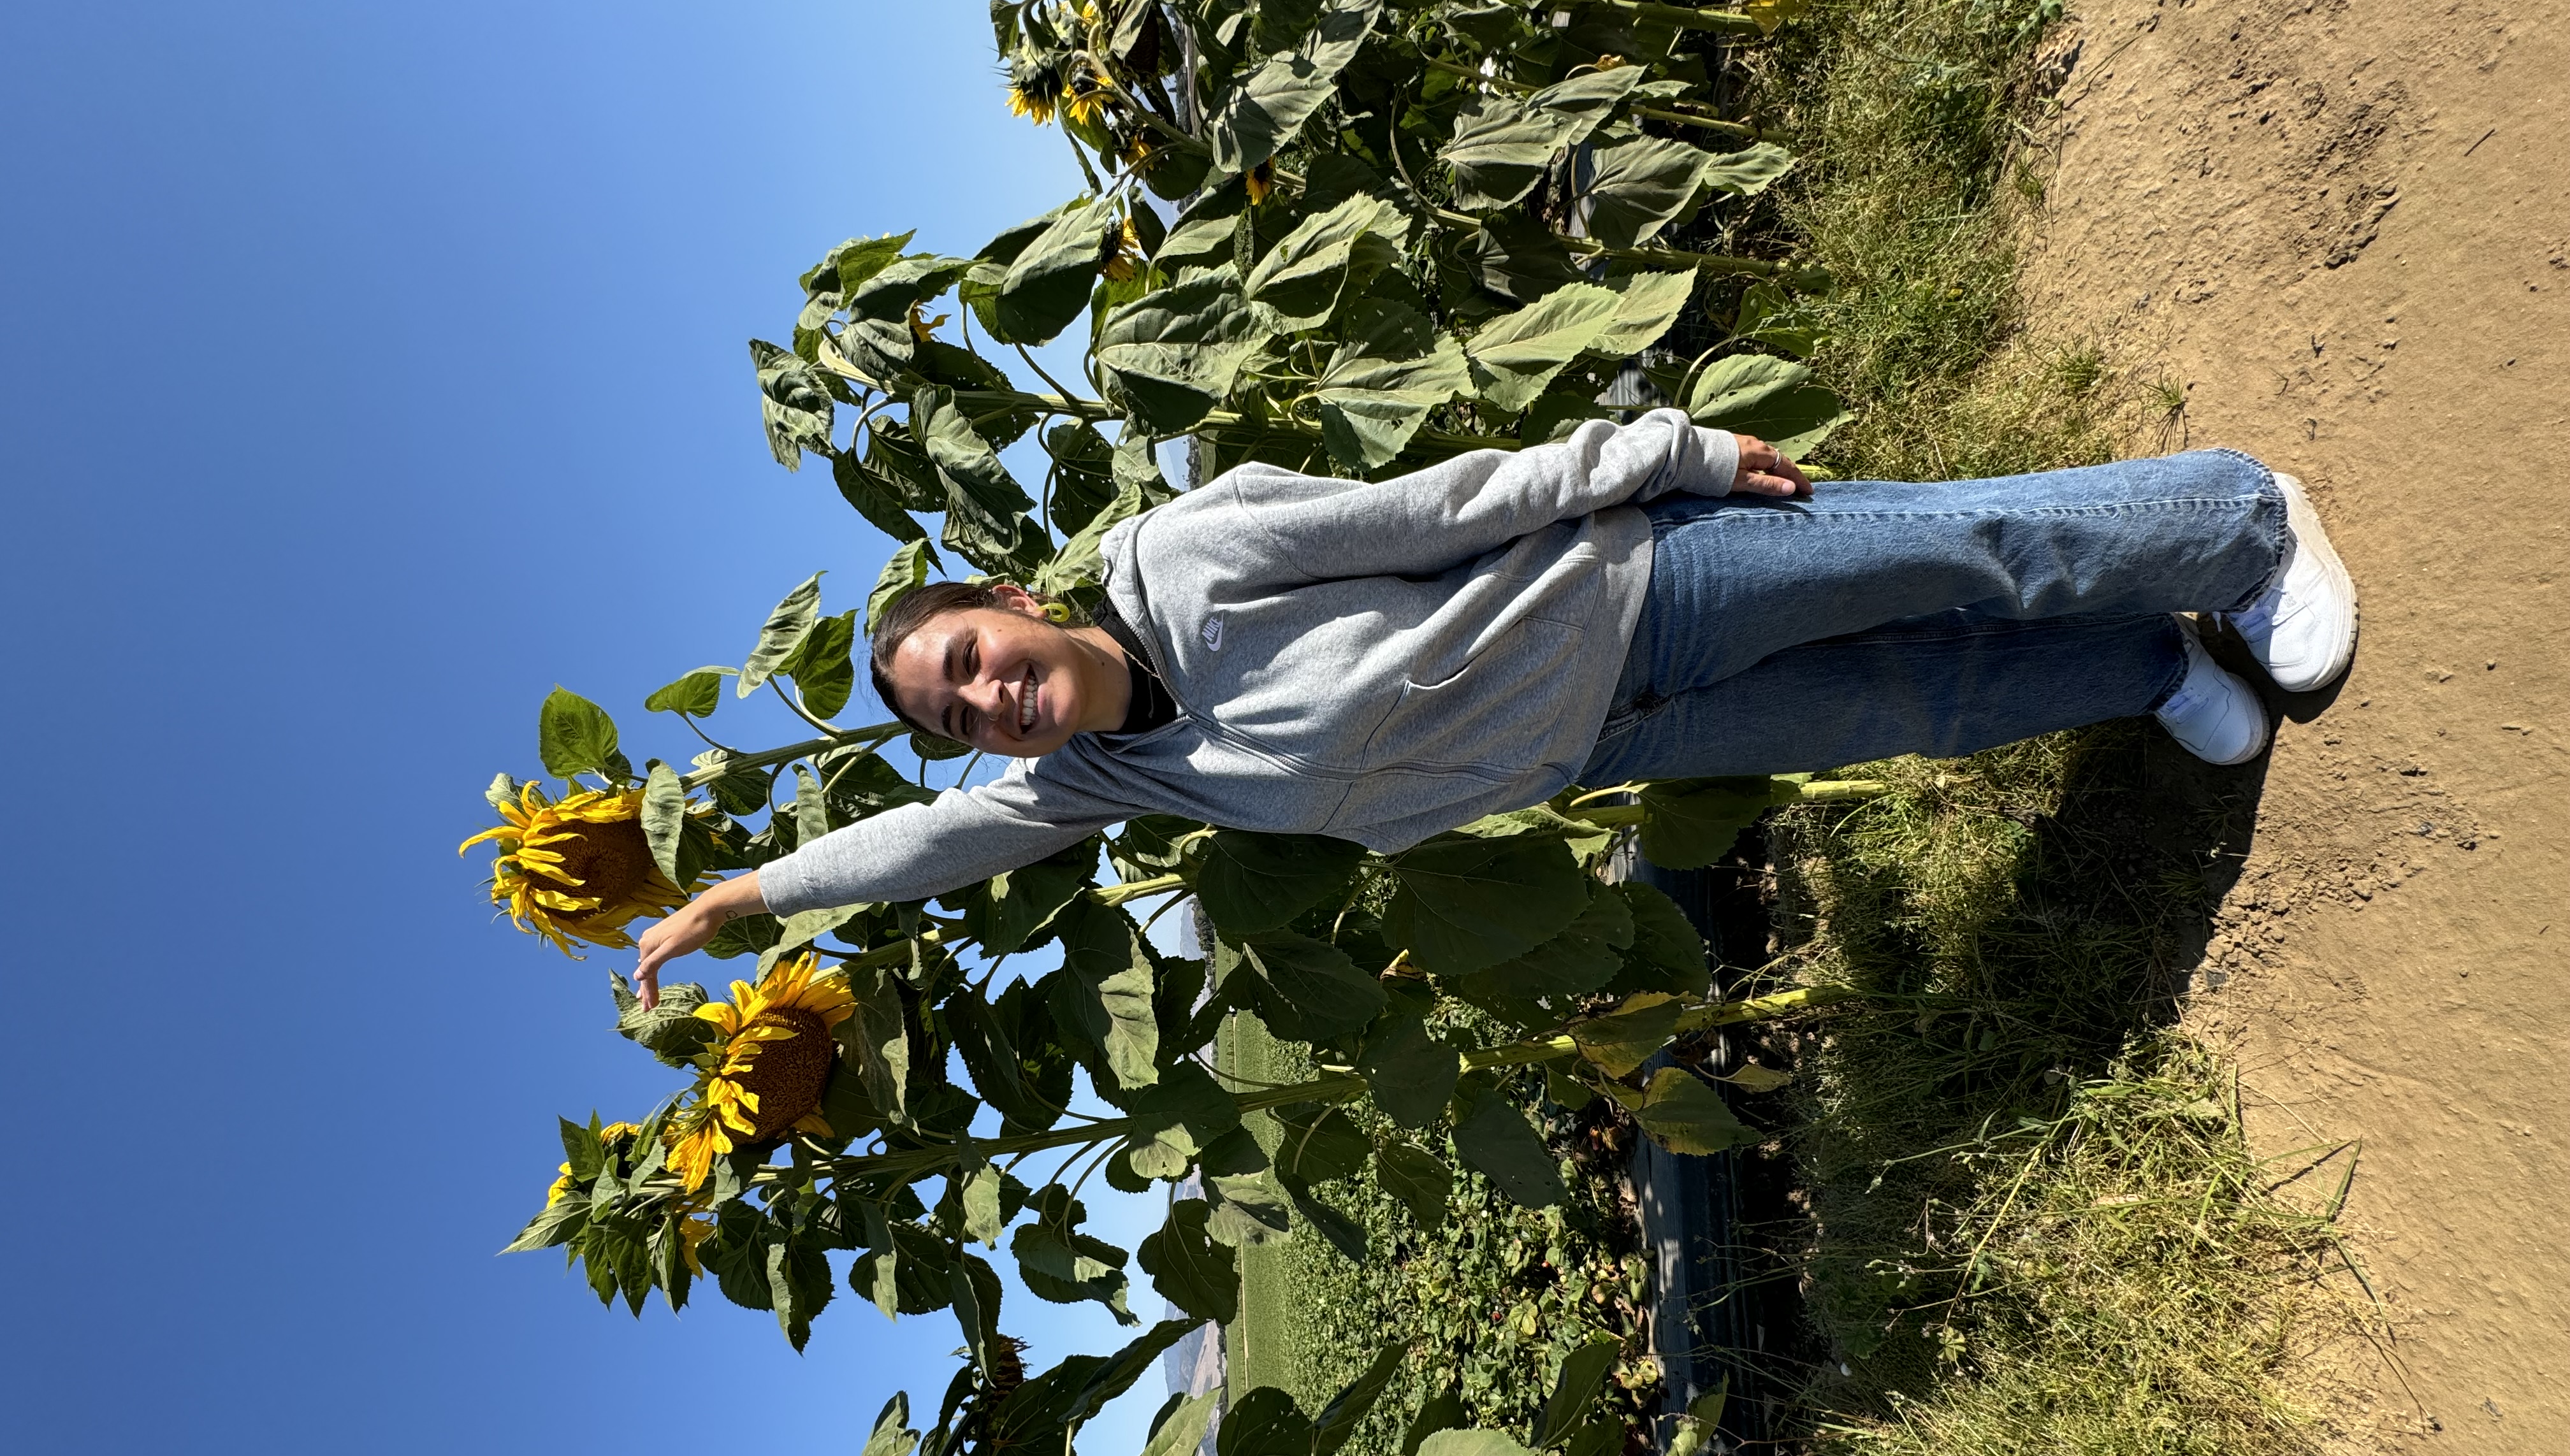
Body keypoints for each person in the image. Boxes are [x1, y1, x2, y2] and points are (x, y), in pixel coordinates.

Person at [632, 410, 2355, 1006]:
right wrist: (744, 894)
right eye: (961, 718)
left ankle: (2240, 518)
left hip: (1631, 585)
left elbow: (1436, 506)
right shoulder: (1099, 784)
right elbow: (927, 850)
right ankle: (2155, 665)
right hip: (1605, 736)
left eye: (973, 663)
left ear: (1014, 606)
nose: (991, 705)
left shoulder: (1185, 555)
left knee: (1949, 546)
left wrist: (1656, 459)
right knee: (1908, 701)